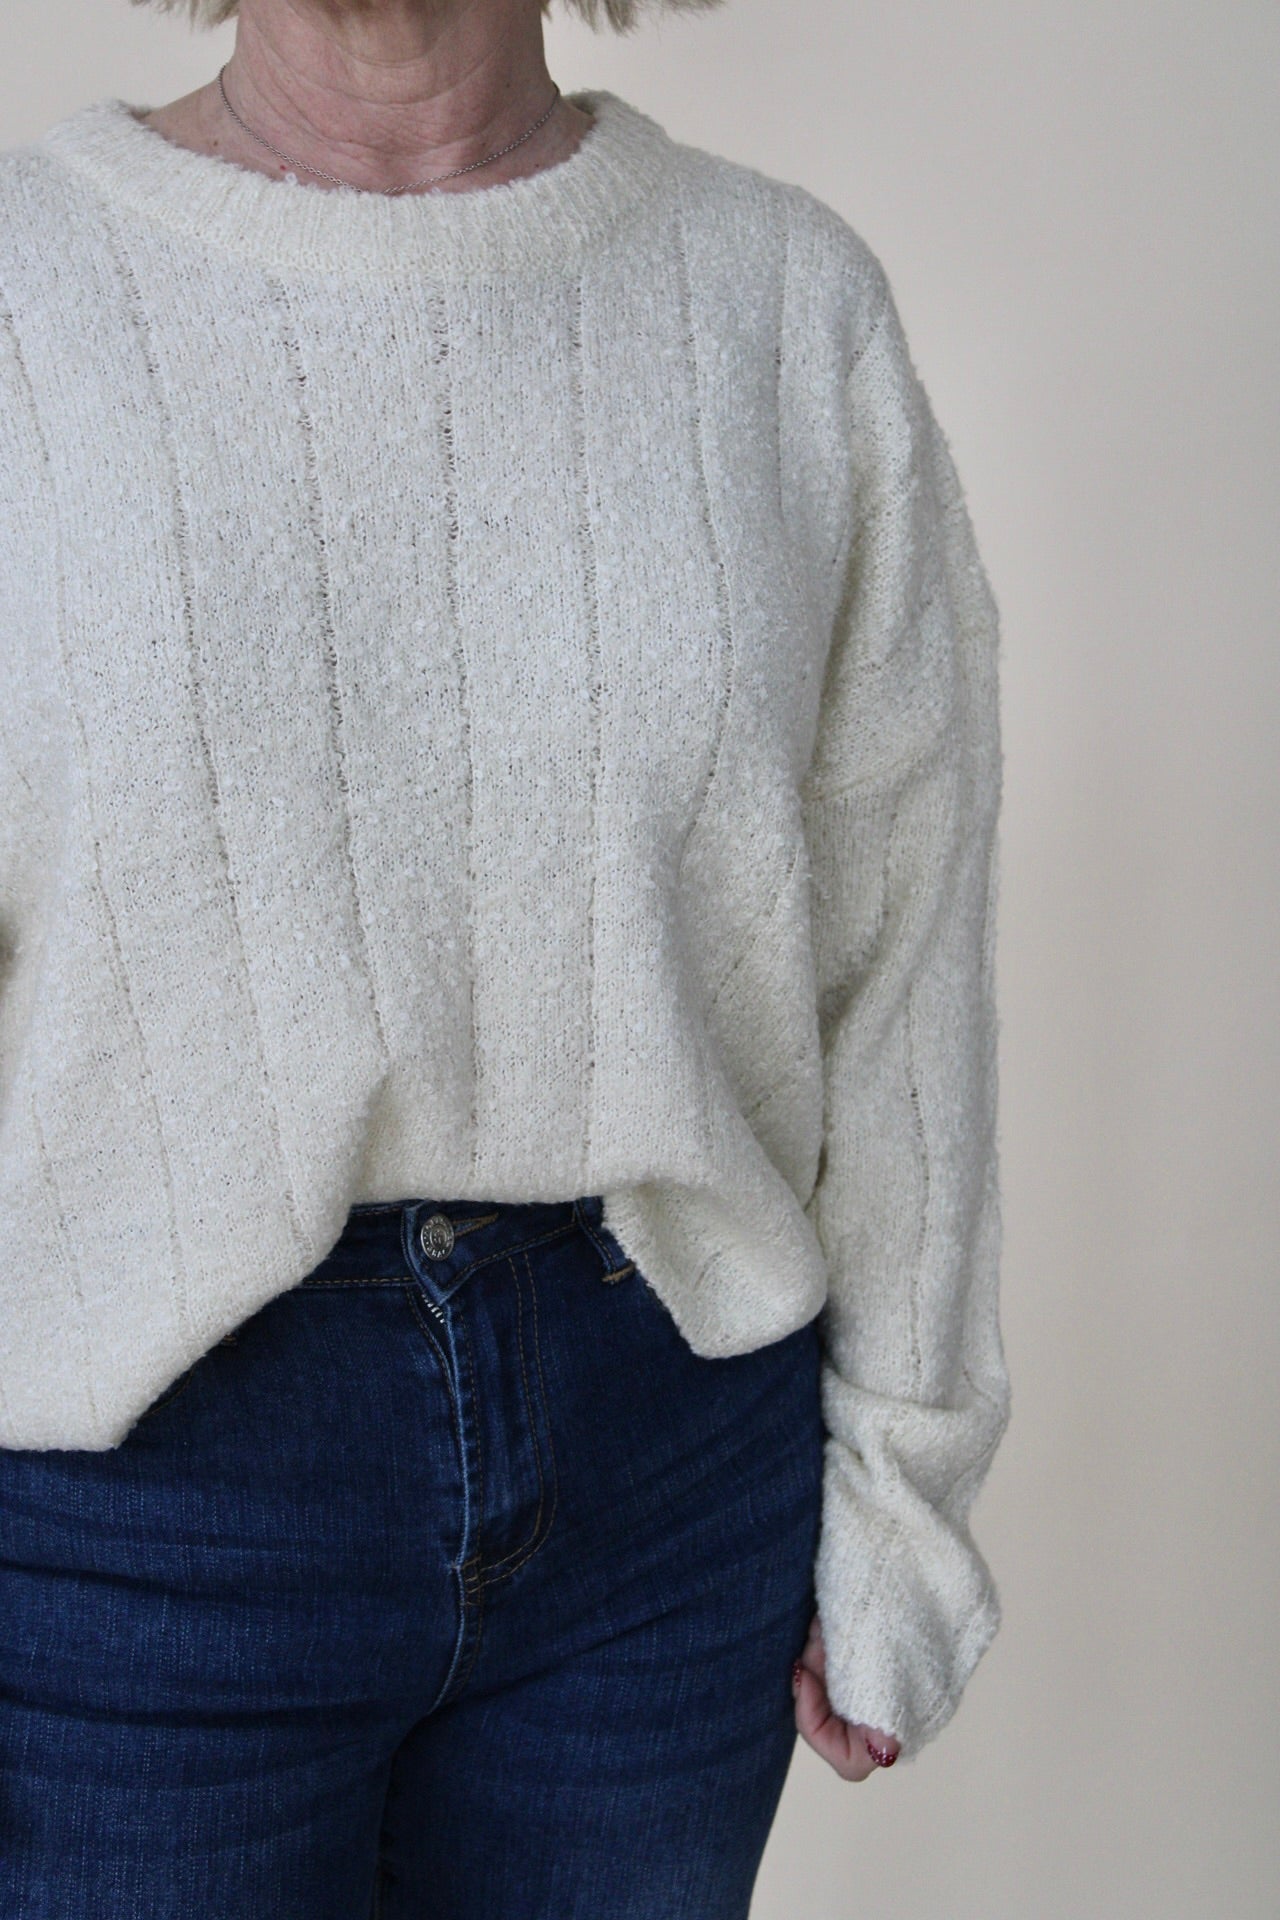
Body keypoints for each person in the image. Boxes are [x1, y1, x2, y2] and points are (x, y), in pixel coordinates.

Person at [0, 0, 1010, 1910]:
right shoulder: (30, 294)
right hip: (126, 1505)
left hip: (666, 1477)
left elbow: (901, 943)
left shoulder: (779, 304)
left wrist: (908, 1483)